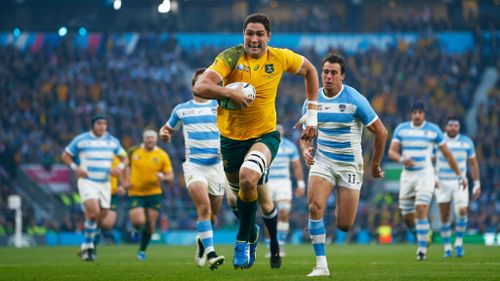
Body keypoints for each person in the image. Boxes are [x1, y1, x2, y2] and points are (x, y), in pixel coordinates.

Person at [193, 13, 319, 269]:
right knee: (236, 198)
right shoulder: (229, 57)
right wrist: (229, 92)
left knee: (249, 177)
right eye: (249, 33)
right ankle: (252, 234)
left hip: (265, 136)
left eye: (259, 34)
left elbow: (310, 71)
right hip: (230, 139)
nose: (254, 39)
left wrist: (313, 115)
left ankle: (242, 242)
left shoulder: (280, 57)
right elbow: (200, 88)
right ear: (243, 35)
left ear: (268, 37)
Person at [298, 54, 387, 277]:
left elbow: (382, 132)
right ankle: (321, 265)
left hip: (349, 166)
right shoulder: (312, 101)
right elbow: (305, 136)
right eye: (325, 72)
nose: (328, 76)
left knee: (344, 225)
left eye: (333, 73)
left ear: (342, 76)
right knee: (313, 208)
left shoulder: (355, 100)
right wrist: (306, 150)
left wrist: (375, 165)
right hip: (323, 161)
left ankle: (341, 195)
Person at [159, 68, 226, 270]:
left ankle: (201, 242)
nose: (202, 86)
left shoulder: (220, 106)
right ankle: (212, 254)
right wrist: (164, 134)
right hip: (194, 166)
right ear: (193, 87)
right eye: (198, 82)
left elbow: (234, 129)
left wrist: (227, 147)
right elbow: (167, 128)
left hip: (216, 167)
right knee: (203, 207)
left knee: (213, 215)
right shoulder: (181, 109)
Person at [388, 102, 466, 261]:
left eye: (420, 112)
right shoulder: (401, 129)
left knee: (421, 208)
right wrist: (402, 159)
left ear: (424, 114)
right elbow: (392, 152)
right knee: (407, 216)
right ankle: (423, 234)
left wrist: (460, 175)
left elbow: (448, 154)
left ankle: (422, 250)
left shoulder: (433, 130)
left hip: (426, 175)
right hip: (407, 176)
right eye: (415, 112)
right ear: (411, 114)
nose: (417, 115)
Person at [61, 115, 128, 261]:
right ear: (93, 125)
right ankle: (88, 245)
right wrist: (75, 167)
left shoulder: (112, 141)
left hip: (105, 184)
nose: (102, 126)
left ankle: (87, 245)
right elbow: (65, 155)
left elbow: (125, 157)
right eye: (99, 123)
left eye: (105, 123)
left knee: (102, 220)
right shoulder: (81, 139)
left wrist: (120, 167)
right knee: (93, 212)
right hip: (87, 181)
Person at [434, 117, 481, 258]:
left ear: (459, 127)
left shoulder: (466, 142)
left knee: (462, 210)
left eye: (456, 125)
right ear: (446, 127)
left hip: (460, 182)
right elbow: (430, 159)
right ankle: (447, 246)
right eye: (451, 125)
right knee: (444, 214)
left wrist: (477, 183)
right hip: (441, 182)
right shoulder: (439, 141)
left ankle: (459, 242)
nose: (453, 127)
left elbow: (473, 164)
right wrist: (433, 177)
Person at [127, 129, 174, 260]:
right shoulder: (134, 152)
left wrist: (163, 177)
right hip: (136, 192)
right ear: (143, 139)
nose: (149, 140)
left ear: (156, 139)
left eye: (152, 138)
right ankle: (136, 228)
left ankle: (141, 250)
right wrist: (124, 182)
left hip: (154, 193)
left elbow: (170, 176)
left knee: (150, 225)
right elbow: (123, 165)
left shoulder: (162, 155)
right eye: (147, 137)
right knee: (139, 220)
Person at [265, 124, 305, 257]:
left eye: (279, 131)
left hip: (283, 184)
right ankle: (270, 246)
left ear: (282, 132)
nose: (277, 132)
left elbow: (297, 165)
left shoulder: (289, 147)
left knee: (283, 213)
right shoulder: (265, 145)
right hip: (267, 183)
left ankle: (280, 246)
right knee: (268, 216)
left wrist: (300, 184)